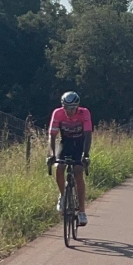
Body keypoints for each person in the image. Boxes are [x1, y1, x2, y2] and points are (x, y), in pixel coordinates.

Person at [46, 91, 92, 226]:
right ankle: (63, 195)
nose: (68, 111)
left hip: (80, 144)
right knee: (59, 168)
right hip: (65, 143)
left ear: (77, 107)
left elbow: (88, 135)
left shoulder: (84, 113)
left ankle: (82, 211)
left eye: (71, 108)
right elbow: (52, 136)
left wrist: (86, 154)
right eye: (65, 107)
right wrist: (52, 154)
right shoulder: (57, 113)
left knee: (78, 172)